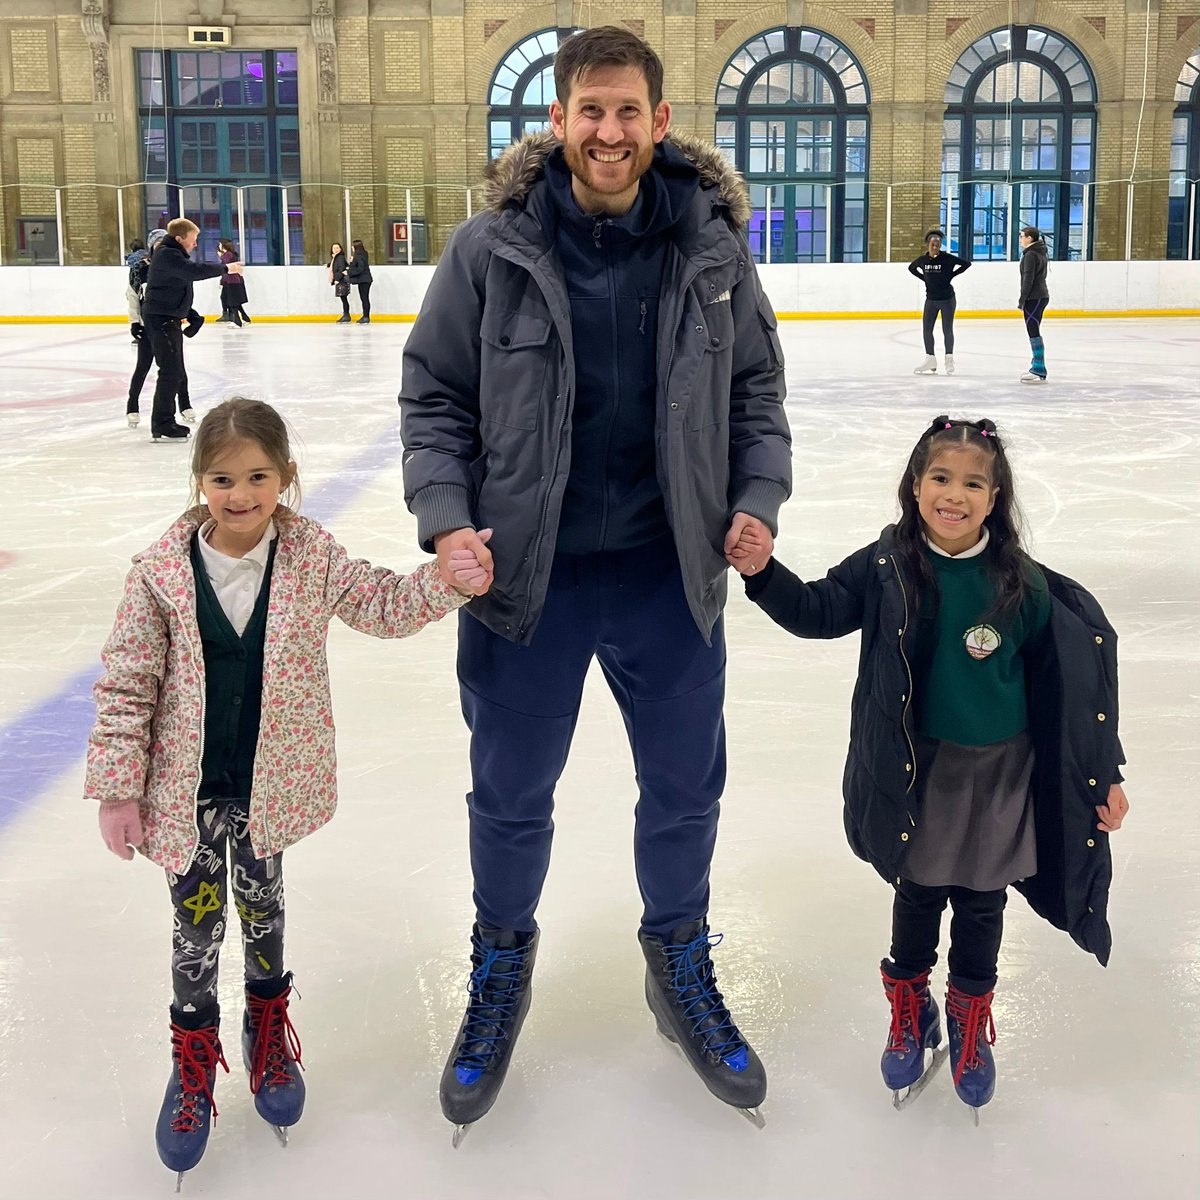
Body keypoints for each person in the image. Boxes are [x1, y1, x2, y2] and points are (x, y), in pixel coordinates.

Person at [399, 25, 790, 1138]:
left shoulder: (714, 252)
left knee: (684, 793)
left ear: (660, 122)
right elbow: (433, 399)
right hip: (530, 584)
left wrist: (755, 501)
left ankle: (680, 963)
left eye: (629, 112)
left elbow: (758, 395)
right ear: (560, 120)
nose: (609, 132)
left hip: (671, 579)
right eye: (590, 111)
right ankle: (501, 967)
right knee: (510, 799)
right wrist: (446, 520)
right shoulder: (491, 249)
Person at [84, 397, 479, 1186]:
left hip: (269, 787)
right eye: (223, 478)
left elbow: (380, 603)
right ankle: (194, 1054)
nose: (240, 493)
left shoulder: (310, 557)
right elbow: (128, 686)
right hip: (182, 794)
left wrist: (445, 580)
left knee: (263, 914)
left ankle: (267, 1028)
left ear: (287, 480)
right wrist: (118, 790)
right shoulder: (162, 575)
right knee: (195, 936)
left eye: (258, 476)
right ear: (200, 484)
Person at [738, 415, 1129, 1118]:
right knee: (918, 894)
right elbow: (819, 610)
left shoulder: (1021, 583)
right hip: (922, 769)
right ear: (915, 487)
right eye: (941, 478)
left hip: (1004, 773)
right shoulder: (888, 565)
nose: (955, 495)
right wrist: (764, 573)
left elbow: (1078, 692)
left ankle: (969, 1018)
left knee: (983, 900)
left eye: (973, 483)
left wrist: (1106, 775)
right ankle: (908, 1005)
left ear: (996, 494)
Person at [142, 218, 241, 442]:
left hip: (167, 317)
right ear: (180, 238)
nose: (196, 244)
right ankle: (162, 423)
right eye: (193, 239)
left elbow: (178, 284)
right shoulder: (168, 253)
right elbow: (193, 271)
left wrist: (189, 313)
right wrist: (226, 267)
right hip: (161, 319)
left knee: (173, 371)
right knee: (170, 372)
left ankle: (163, 422)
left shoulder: (172, 254)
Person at [125, 229, 202, 430]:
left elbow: (178, 295)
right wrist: (134, 322)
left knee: (177, 367)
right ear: (151, 246)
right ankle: (132, 406)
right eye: (157, 244)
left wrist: (191, 315)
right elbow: (133, 296)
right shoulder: (140, 268)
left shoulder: (174, 265)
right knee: (143, 366)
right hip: (147, 324)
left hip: (169, 323)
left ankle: (184, 404)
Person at [908, 229, 970, 375]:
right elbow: (911, 268)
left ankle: (949, 359)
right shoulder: (923, 260)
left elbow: (966, 264)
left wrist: (952, 275)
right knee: (927, 329)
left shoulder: (947, 258)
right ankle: (930, 358)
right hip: (931, 300)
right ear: (928, 245)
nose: (935, 248)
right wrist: (924, 278)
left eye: (938, 245)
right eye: (933, 245)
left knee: (947, 329)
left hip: (947, 299)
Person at [1017, 227, 1050, 383]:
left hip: (1034, 297)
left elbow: (1028, 278)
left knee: (1033, 332)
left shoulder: (1031, 254)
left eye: (1022, 236)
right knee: (1034, 331)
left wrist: (1022, 298)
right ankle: (1037, 364)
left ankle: (1038, 367)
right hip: (1040, 296)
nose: (1020, 239)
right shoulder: (1039, 251)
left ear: (1029, 238)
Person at [215, 237, 250, 327]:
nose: (219, 246)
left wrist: (222, 281)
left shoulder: (227, 255)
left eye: (220, 244)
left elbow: (226, 268)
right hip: (233, 280)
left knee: (232, 301)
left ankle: (237, 321)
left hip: (231, 280)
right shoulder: (231, 254)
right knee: (231, 300)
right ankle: (244, 318)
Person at [125, 238, 149, 343]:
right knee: (144, 305)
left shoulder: (132, 258)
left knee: (135, 305)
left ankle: (140, 330)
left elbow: (131, 267)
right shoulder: (148, 255)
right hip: (146, 282)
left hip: (135, 282)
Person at [346, 239, 372, 324]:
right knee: (364, 298)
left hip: (364, 279)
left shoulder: (359, 255)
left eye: (353, 246)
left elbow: (360, 268)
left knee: (364, 298)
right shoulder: (363, 254)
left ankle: (366, 317)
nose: (352, 248)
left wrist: (349, 272)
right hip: (365, 279)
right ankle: (365, 316)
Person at [328, 241, 351, 323]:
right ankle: (346, 315)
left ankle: (346, 315)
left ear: (340, 249)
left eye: (337, 248)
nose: (335, 249)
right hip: (340, 279)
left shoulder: (340, 257)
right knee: (343, 298)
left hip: (341, 280)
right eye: (334, 248)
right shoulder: (335, 258)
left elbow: (341, 268)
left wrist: (337, 279)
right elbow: (337, 266)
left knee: (344, 298)